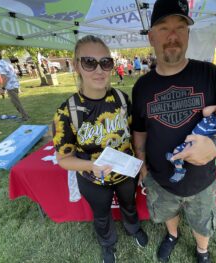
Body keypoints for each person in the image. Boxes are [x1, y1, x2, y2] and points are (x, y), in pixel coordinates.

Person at [131, 0, 216, 262]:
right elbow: (139, 129)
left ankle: (202, 251)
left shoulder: (212, 75)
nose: (172, 36)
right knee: (167, 212)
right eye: (163, 28)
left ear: (188, 33)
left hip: (201, 180)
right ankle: (172, 235)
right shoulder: (141, 86)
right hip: (160, 177)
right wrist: (141, 162)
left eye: (180, 27)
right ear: (151, 37)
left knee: (202, 220)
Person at [52, 35, 148, 263]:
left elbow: (135, 134)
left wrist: (141, 163)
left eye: (105, 62)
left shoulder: (122, 100)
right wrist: (89, 166)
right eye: (89, 62)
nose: (99, 70)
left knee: (128, 204)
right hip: (92, 178)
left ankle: (133, 228)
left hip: (125, 172)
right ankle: (107, 243)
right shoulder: (67, 112)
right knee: (102, 214)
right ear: (76, 65)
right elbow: (63, 159)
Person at [0, 50, 30, 121]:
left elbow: (5, 77)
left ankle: (25, 117)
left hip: (11, 86)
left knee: (16, 103)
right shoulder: (5, 62)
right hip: (14, 84)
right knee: (16, 102)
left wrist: (3, 88)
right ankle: (25, 116)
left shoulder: (0, 64)